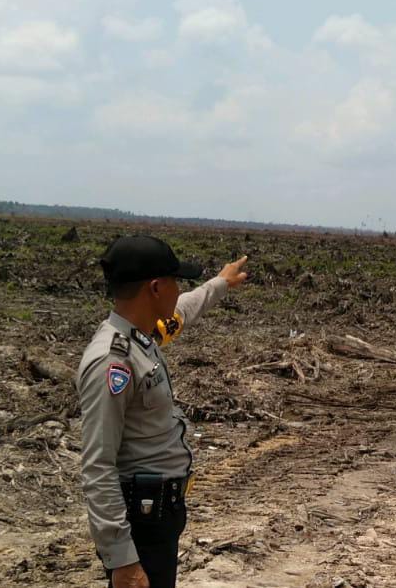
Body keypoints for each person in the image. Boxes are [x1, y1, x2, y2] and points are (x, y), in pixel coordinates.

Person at [76, 235, 249, 588]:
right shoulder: (113, 361)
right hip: (140, 523)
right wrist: (122, 559)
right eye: (174, 282)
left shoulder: (141, 335)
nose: (177, 290)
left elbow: (182, 310)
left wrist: (220, 283)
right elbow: (98, 465)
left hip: (158, 517)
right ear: (155, 288)